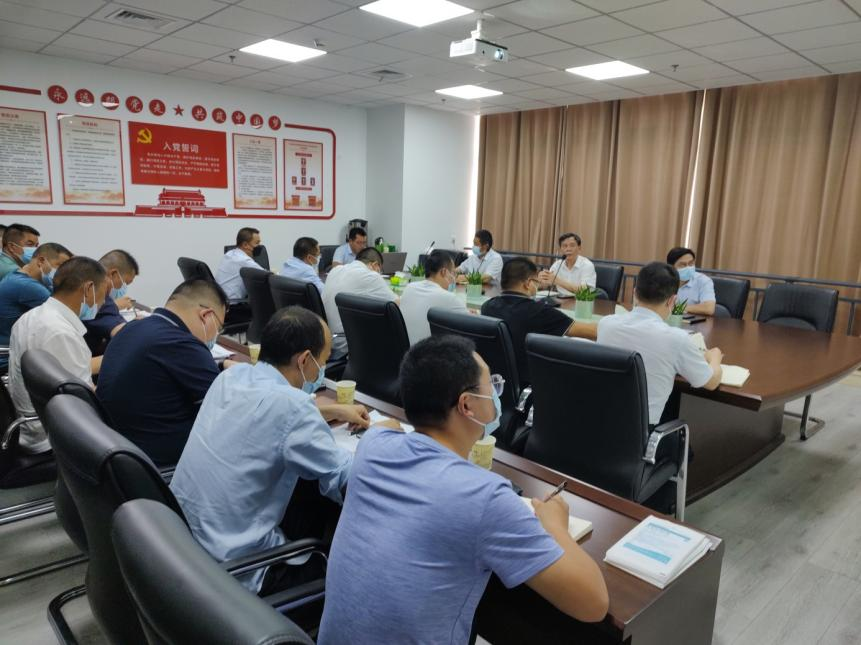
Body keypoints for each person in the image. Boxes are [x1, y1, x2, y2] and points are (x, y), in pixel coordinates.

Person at [318, 335, 609, 644]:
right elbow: (593, 604)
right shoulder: (485, 496)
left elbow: (384, 426)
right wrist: (555, 526)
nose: (495, 394)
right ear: (467, 405)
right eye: (490, 385)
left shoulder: (374, 446)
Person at [171, 306, 388, 593]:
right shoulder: (292, 408)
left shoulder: (231, 378)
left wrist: (333, 410)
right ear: (305, 360)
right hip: (239, 569)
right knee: (346, 556)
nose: (321, 371)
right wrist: (382, 437)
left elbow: (269, 413)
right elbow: (347, 478)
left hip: (184, 544)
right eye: (323, 362)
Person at [96, 279, 233, 466]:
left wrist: (221, 365)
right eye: (218, 327)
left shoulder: (134, 327)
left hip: (120, 452)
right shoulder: (182, 344)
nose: (216, 334)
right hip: (164, 466)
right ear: (206, 315)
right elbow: (225, 413)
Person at [598, 262, 723, 426]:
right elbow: (711, 383)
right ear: (672, 301)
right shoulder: (677, 339)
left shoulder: (606, 324)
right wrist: (714, 358)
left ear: (635, 293)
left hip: (601, 421)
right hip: (641, 431)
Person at [8, 256, 107, 453]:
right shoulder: (60, 332)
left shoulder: (32, 317)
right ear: (88, 289)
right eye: (103, 295)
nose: (103, 303)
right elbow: (82, 402)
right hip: (48, 435)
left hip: (32, 422)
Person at [481, 257, 596, 385]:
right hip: (532, 381)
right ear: (528, 283)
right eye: (536, 282)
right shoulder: (540, 312)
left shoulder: (487, 307)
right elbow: (592, 332)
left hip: (494, 381)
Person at [0, 243, 72, 366]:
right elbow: (64, 311)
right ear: (41, 261)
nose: (63, 272)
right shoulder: (25, 285)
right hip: (8, 358)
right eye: (60, 265)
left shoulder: (30, 277)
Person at [322, 247, 397, 360]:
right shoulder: (371, 276)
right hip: (347, 344)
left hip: (326, 338)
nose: (379, 273)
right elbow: (396, 305)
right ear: (375, 265)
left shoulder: (335, 270)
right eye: (380, 270)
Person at [399, 250, 468, 345]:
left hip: (406, 351)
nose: (454, 278)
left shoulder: (409, 288)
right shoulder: (449, 298)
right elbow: (471, 328)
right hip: (431, 352)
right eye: (453, 273)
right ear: (443, 272)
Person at [84, 249, 139, 355]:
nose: (124, 289)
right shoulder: (97, 296)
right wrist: (139, 325)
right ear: (113, 274)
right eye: (125, 283)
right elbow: (125, 334)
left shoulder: (80, 283)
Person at [215, 227, 262, 303]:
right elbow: (267, 276)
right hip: (232, 305)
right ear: (245, 245)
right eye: (257, 243)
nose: (259, 246)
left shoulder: (229, 254)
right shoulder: (243, 260)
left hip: (219, 301)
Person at [666, 247, 715, 316]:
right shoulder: (663, 280)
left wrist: (677, 308)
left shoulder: (703, 281)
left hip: (694, 321)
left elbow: (709, 308)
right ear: (671, 267)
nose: (688, 268)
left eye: (691, 263)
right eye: (683, 265)